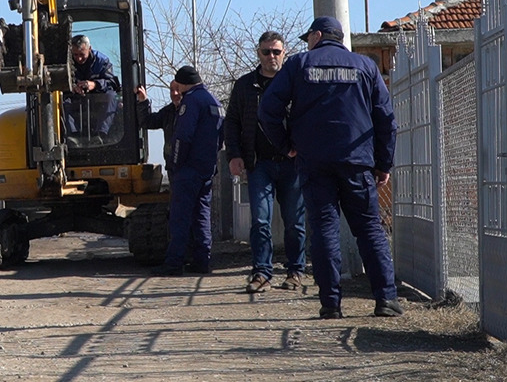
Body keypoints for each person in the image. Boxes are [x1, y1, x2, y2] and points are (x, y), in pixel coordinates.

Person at [258, 16, 402, 319]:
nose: (307, 42)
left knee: (324, 230)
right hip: (358, 162)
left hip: (314, 161)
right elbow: (386, 119)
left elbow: (268, 109)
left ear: (318, 35)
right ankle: (386, 300)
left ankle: (331, 304)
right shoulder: (365, 67)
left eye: (308, 37)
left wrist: (286, 146)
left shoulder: (299, 65)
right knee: (369, 229)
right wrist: (383, 163)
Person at [225, 31, 306, 294]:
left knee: (294, 221)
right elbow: (232, 123)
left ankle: (295, 271)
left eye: (276, 51)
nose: (271, 56)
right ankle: (261, 272)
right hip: (259, 164)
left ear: (285, 53)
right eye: (266, 51)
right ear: (258, 53)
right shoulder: (245, 86)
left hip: (292, 164)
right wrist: (234, 155)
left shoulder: (296, 83)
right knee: (260, 220)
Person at [151, 66, 224, 276]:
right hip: (207, 168)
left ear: (183, 83)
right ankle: (202, 261)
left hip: (188, 169)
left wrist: (175, 163)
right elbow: (220, 138)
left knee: (180, 217)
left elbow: (183, 137)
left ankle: (174, 263)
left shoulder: (191, 101)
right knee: (202, 216)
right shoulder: (214, 101)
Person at [65, 34, 120, 141]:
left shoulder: (102, 61)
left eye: (82, 54)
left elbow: (112, 83)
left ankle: (100, 135)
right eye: (75, 55)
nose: (79, 58)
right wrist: (73, 87)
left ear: (90, 48)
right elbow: (60, 81)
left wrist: (94, 85)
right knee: (60, 99)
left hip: (98, 103)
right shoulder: (67, 63)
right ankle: (73, 136)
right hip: (75, 101)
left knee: (112, 96)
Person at [135, 81, 181, 172]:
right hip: (172, 168)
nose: (174, 93)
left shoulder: (192, 111)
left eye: (178, 90)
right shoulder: (168, 112)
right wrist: (143, 101)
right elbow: (147, 122)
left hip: (190, 168)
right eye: (172, 90)